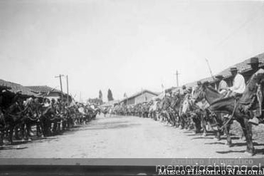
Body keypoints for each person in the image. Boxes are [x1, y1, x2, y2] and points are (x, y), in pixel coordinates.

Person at [245, 57, 263, 125]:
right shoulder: (254, 73)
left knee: (258, 98)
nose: (253, 66)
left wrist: (258, 83)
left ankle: (258, 117)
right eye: (252, 65)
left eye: (254, 65)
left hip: (260, 89)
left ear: (257, 65)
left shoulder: (261, 71)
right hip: (253, 89)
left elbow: (260, 80)